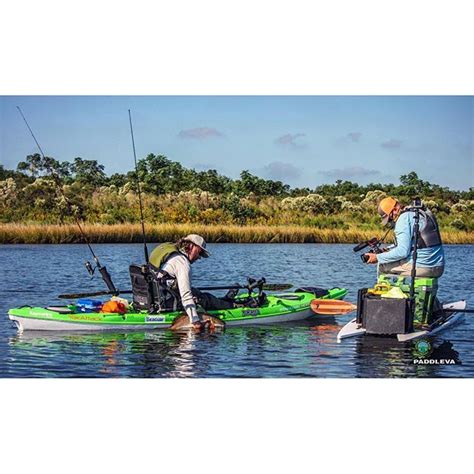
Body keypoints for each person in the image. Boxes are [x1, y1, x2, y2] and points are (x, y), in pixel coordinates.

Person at [149, 234, 234, 329]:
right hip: (169, 301)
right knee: (205, 299)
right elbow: (186, 295)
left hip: (161, 295)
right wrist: (195, 321)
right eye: (199, 252)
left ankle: (225, 300)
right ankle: (232, 306)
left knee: (197, 292)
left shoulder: (170, 255)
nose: (199, 257)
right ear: (191, 246)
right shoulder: (182, 263)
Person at [364, 197, 445, 278]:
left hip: (423, 267)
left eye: (390, 218)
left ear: (395, 210)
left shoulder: (403, 219)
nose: (391, 221)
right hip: (438, 267)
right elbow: (417, 243)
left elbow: (402, 252)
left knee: (382, 266)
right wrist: (387, 250)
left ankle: (385, 289)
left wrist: (377, 257)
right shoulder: (420, 213)